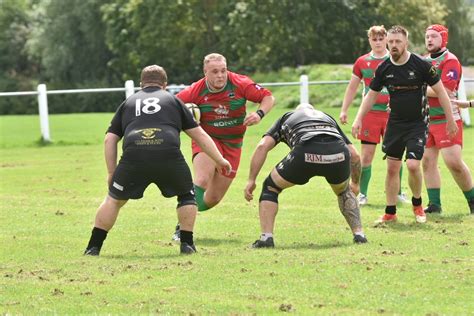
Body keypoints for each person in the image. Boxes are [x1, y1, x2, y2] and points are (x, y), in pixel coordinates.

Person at [83, 65, 232, 256]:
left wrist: (112, 172)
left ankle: (93, 247)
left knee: (114, 200)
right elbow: (200, 135)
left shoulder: (128, 103)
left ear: (141, 84)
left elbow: (109, 139)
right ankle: (187, 245)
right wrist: (219, 160)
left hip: (134, 155)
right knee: (187, 196)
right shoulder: (173, 101)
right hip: (168, 153)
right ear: (165, 85)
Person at [351, 25, 458, 224]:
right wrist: (358, 119)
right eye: (390, 41)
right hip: (395, 123)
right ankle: (390, 212)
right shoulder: (384, 68)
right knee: (392, 167)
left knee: (412, 164)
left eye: (397, 41)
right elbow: (370, 96)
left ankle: (417, 205)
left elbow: (442, 92)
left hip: (418, 123)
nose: (393, 45)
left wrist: (450, 119)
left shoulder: (421, 65)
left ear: (405, 42)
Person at [172, 53, 276, 240]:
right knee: (202, 179)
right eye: (215, 72)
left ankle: (187, 206)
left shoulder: (240, 83)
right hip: (206, 140)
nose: (220, 75)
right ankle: (183, 228)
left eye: (223, 70)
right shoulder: (196, 90)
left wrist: (259, 114)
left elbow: (268, 97)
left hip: (233, 144)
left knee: (212, 199)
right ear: (205, 72)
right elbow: (171, 105)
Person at [244, 103, 367, 248]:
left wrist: (251, 180)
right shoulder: (327, 118)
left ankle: (266, 239)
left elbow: (262, 146)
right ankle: (359, 235)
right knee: (344, 192)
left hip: (305, 152)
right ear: (313, 110)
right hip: (337, 153)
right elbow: (354, 155)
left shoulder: (287, 117)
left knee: (271, 187)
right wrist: (356, 183)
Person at [340, 25, 407, 206]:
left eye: (380, 39)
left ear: (386, 39)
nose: (378, 42)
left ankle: (399, 192)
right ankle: (363, 194)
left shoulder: (396, 59)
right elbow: (352, 87)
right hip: (370, 115)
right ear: (369, 40)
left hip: (393, 115)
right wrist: (344, 110)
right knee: (367, 156)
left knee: (395, 155)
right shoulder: (362, 62)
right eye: (374, 39)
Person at [422, 24, 474, 215]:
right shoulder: (423, 61)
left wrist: (417, 87)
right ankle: (434, 204)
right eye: (427, 36)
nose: (429, 40)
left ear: (443, 39)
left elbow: (444, 90)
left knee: (453, 162)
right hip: (427, 119)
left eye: (434, 36)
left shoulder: (450, 60)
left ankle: (472, 199)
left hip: (447, 118)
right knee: (427, 161)